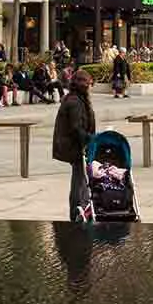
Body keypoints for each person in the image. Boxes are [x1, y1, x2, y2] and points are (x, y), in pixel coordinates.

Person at [53, 73, 96, 222]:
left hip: (77, 145)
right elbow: (76, 127)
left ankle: (80, 208)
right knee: (80, 180)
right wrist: (91, 140)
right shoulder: (74, 102)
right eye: (89, 84)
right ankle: (78, 210)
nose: (90, 87)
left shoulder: (76, 99)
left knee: (80, 179)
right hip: (74, 146)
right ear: (82, 85)